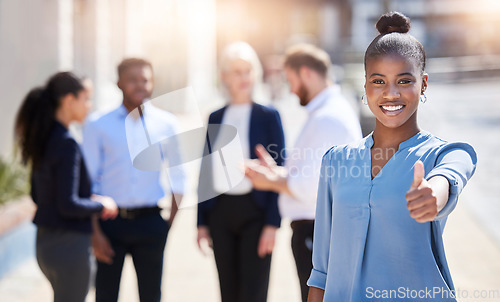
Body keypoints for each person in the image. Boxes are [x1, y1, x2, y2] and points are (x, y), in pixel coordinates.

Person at [306, 12, 477, 302]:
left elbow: (453, 173)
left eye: (404, 80)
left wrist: (434, 194)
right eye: (378, 81)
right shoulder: (335, 161)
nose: (391, 93)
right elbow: (321, 271)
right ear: (365, 86)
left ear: (423, 84)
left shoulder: (443, 154)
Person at [244, 44, 362, 302]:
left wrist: (270, 181)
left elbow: (310, 188)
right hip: (317, 230)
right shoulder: (326, 113)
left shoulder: (328, 118)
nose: (290, 88)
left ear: (306, 73)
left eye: (291, 80)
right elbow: (311, 174)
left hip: (317, 232)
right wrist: (276, 172)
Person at [82, 58, 185, 302]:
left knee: (152, 296)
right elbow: (87, 183)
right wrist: (94, 233)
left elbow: (179, 177)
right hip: (109, 224)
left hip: (151, 223)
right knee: (105, 296)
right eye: (132, 80)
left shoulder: (167, 124)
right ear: (119, 83)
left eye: (145, 80)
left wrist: (167, 225)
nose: (140, 85)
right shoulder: (98, 125)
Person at [14, 72, 118, 302]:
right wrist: (101, 205)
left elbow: (37, 194)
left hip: (45, 246)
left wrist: (86, 197)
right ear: (69, 100)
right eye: (86, 98)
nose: (89, 106)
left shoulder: (45, 137)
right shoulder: (67, 142)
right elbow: (68, 204)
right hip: (69, 247)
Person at [196, 42, 286, 302]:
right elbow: (206, 170)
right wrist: (201, 222)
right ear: (224, 76)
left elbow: (279, 169)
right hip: (220, 212)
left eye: (248, 70)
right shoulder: (215, 116)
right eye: (236, 71)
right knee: (228, 293)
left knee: (254, 294)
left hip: (255, 212)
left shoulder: (269, 116)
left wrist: (272, 223)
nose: (243, 77)